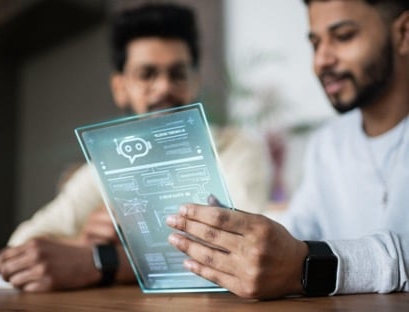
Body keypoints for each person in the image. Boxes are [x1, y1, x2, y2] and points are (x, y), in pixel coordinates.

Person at [0, 3, 272, 292]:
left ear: (195, 82)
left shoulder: (235, 148)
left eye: (178, 74)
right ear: (120, 88)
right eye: (147, 74)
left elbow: (242, 248)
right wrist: (82, 244)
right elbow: (19, 248)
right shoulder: (102, 168)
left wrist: (103, 260)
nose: (163, 87)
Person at [166, 0, 409, 299]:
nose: (322, 60)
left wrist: (308, 265)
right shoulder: (328, 144)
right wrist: (239, 237)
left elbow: (302, 260)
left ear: (404, 33)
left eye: (344, 36)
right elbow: (296, 236)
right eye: (315, 43)